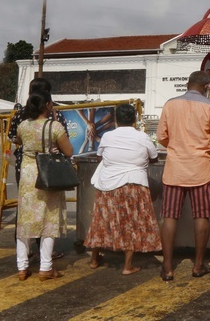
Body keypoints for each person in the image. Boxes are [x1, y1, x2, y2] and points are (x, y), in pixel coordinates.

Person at [156, 70, 210, 281]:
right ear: (206, 88)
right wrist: (208, 147)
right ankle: (198, 266)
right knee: (201, 216)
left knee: (169, 216)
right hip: (200, 171)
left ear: (187, 84)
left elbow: (161, 137)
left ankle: (167, 268)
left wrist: (177, 147)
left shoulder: (170, 104)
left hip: (174, 170)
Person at [84, 103, 162, 275]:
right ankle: (128, 266)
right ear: (134, 120)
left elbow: (100, 157)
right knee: (131, 224)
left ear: (116, 120)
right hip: (134, 184)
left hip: (108, 185)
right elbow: (154, 158)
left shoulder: (107, 137)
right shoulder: (142, 137)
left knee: (101, 220)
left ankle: (94, 259)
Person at [12, 92, 73, 281]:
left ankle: (22, 267)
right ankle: (46, 267)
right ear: (47, 105)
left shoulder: (23, 125)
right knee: (49, 220)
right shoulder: (54, 126)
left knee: (25, 220)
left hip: (28, 175)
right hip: (47, 176)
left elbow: (19, 141)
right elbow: (69, 151)